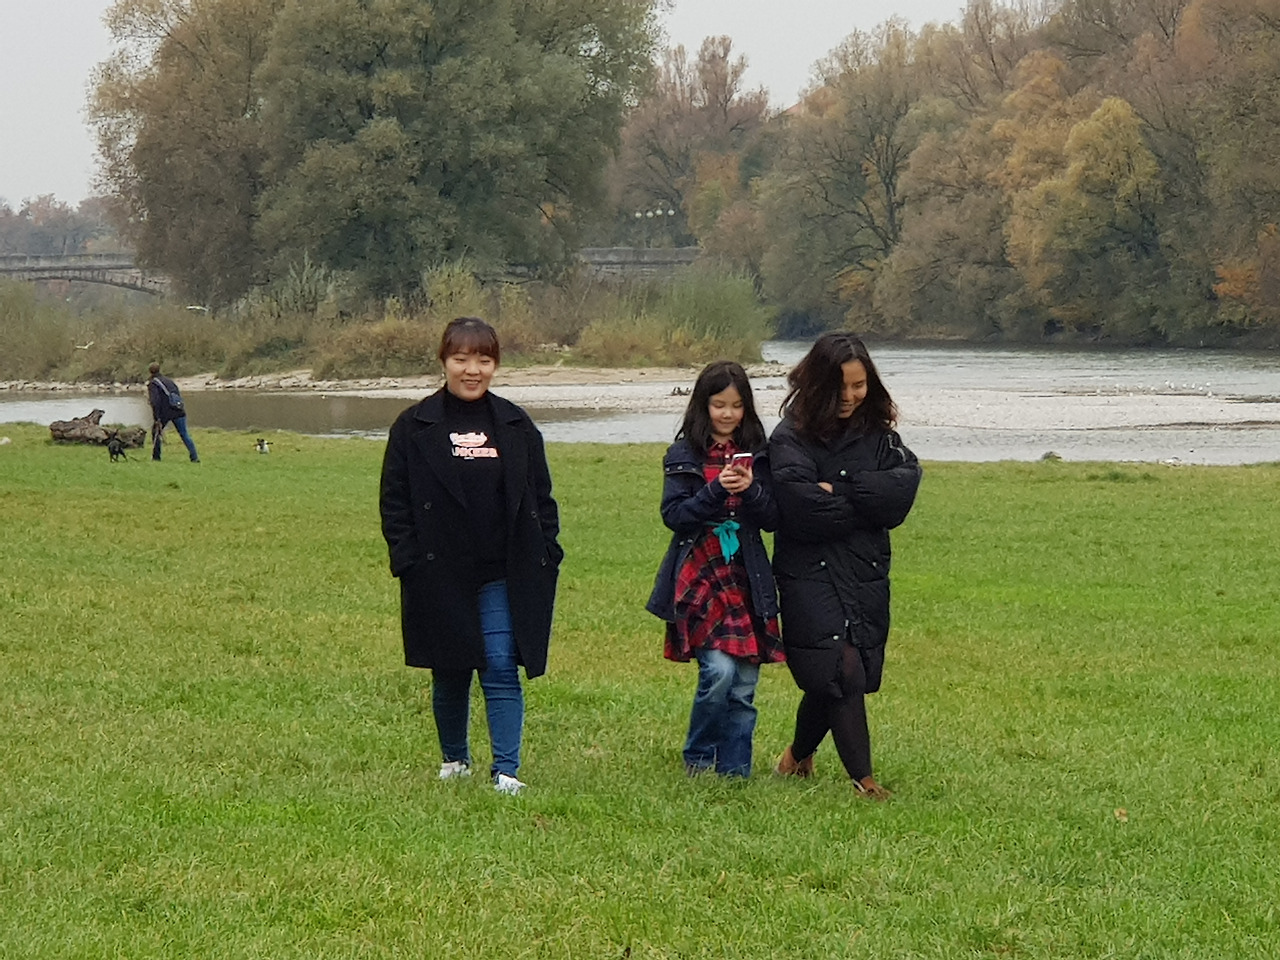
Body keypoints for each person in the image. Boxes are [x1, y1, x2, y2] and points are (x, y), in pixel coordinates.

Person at [379, 317, 563, 795]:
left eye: (483, 359)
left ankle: (506, 771)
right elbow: (395, 503)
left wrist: (548, 551)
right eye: (461, 359)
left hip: (504, 571)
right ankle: (454, 760)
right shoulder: (412, 426)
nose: (472, 370)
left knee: (500, 665)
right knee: (451, 668)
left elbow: (542, 498)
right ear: (444, 362)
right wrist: (408, 561)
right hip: (438, 571)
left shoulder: (517, 425)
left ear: (495, 365)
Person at [769, 334, 921, 799]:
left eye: (859, 385)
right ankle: (864, 780)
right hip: (807, 571)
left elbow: (901, 492)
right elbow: (801, 508)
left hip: (863, 568)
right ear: (817, 385)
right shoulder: (789, 436)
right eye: (840, 388)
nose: (851, 396)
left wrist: (841, 490)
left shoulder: (880, 436)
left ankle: (796, 757)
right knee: (842, 666)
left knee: (833, 674)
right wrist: (866, 502)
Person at [646, 360, 784, 778]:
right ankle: (699, 758)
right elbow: (674, 516)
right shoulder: (683, 454)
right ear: (703, 405)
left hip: (746, 575)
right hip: (700, 573)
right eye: (719, 405)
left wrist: (751, 490)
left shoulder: (760, 454)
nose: (728, 414)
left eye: (737, 406)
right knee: (719, 672)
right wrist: (715, 490)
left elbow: (773, 518)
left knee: (744, 685)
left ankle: (735, 770)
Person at [146, 362, 199, 462]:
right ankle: (194, 457)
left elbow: (155, 401)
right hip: (178, 409)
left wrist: (156, 417)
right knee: (184, 434)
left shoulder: (153, 383)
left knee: (155, 432)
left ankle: (156, 457)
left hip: (165, 413)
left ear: (150, 371)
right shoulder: (169, 380)